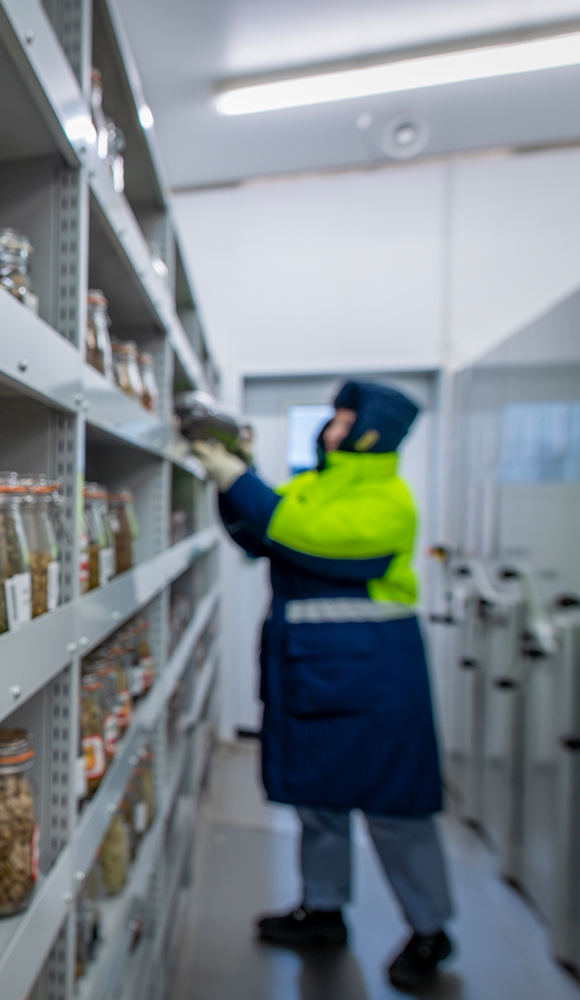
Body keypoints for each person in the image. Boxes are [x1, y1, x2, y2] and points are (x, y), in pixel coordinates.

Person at [191, 380, 453, 990]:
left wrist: (240, 477)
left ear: (371, 431)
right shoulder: (319, 482)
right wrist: (236, 480)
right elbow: (260, 533)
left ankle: (431, 930)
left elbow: (301, 534)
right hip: (314, 670)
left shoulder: (389, 499)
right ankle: (323, 911)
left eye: (342, 420)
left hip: (376, 681)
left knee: (396, 810)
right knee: (320, 804)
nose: (330, 430)